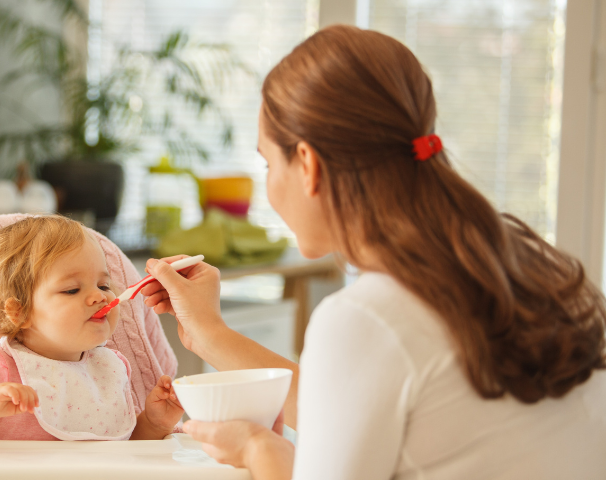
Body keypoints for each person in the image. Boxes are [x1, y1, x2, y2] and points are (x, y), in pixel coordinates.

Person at [140, 25, 606, 480]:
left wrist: (261, 449)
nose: (267, 183)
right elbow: (367, 400)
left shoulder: (367, 318)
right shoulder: (531, 269)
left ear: (307, 164)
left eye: (267, 162)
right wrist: (208, 333)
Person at [0, 215, 183, 441]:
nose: (101, 297)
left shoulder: (109, 368)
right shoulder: (3, 368)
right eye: (72, 290)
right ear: (20, 312)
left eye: (104, 285)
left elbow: (123, 449)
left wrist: (153, 423)